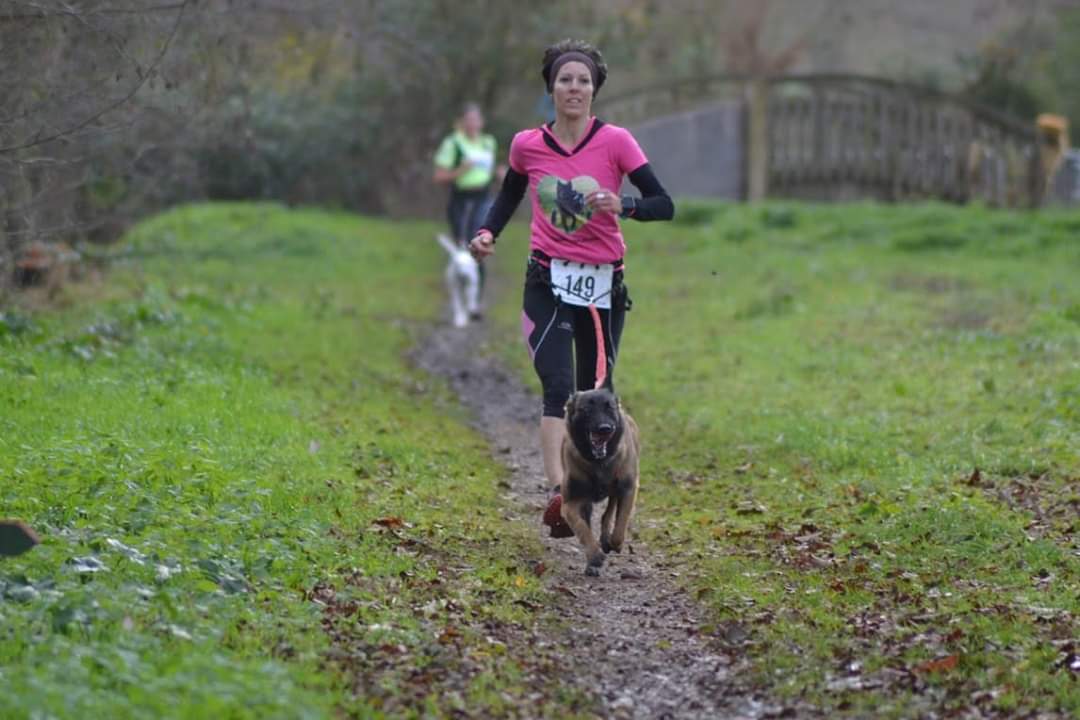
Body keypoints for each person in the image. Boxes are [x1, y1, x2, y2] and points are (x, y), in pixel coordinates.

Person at [469, 39, 674, 492]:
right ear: (552, 88)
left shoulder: (615, 141)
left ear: (594, 90)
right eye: (565, 80)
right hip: (546, 278)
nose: (574, 88)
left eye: (583, 81)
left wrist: (624, 205)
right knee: (559, 390)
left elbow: (665, 203)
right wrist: (488, 233)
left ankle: (599, 480)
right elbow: (509, 195)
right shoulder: (528, 145)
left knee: (595, 396)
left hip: (604, 284)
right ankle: (563, 494)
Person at [433, 103, 499, 301]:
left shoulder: (488, 143)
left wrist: (501, 174)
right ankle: (459, 296)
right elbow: (439, 176)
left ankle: (475, 301)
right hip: (460, 199)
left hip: (484, 197)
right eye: (468, 120)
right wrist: (461, 170)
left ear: (481, 122)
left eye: (475, 119)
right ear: (462, 122)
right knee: (461, 248)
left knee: (478, 243)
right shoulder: (452, 143)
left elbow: (489, 170)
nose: (472, 124)